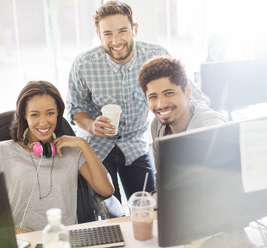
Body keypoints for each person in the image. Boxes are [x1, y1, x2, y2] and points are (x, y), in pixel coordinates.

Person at [66, 1, 209, 202]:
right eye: (107, 34)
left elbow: (193, 96)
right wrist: (91, 125)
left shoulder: (155, 55)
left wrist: (207, 130)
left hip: (134, 145)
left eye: (122, 31)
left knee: (147, 204)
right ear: (98, 35)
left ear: (135, 29)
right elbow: (75, 110)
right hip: (97, 147)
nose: (116, 41)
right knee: (108, 210)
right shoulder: (83, 64)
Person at [0, 81, 114, 231]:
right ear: (24, 115)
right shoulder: (3, 151)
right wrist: (11, 230)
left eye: (50, 113)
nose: (43, 122)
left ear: (58, 113)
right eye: (35, 115)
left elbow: (106, 190)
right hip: (23, 242)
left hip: (64, 240)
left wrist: (83, 144)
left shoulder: (73, 151)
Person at [139, 56, 226, 159]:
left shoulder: (210, 128)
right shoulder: (157, 125)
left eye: (169, 93)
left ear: (187, 92)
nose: (161, 104)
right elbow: (163, 171)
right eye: (153, 97)